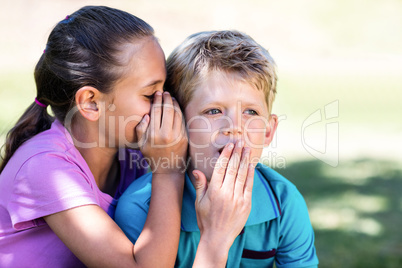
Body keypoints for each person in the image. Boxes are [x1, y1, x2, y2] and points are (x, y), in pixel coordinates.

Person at [0, 7, 253, 267]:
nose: (165, 104)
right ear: (90, 103)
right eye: (149, 94)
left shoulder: (133, 154)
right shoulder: (43, 166)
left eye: (164, 90)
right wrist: (169, 170)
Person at [115, 30, 319, 267]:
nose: (235, 128)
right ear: (176, 123)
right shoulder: (140, 208)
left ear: (267, 131)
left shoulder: (284, 202)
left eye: (250, 112)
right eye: (213, 111)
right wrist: (217, 238)